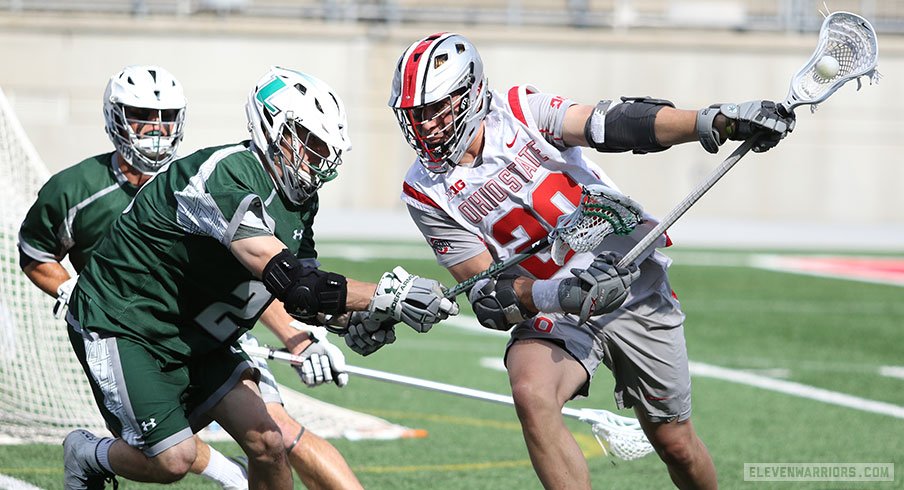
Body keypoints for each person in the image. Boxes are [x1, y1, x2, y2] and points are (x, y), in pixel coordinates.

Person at [373, 32, 795, 489]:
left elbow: (613, 123)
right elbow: (489, 295)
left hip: (629, 280)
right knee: (532, 393)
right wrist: (564, 294)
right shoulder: (423, 191)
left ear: (472, 94)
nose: (426, 127)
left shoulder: (517, 110)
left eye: (436, 110)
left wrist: (713, 121)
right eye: (415, 116)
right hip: (555, 306)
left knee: (675, 443)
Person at [57, 65, 459, 489]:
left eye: (324, 146)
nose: (317, 156)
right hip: (129, 324)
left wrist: (354, 321)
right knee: (173, 461)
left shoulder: (299, 198)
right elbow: (292, 280)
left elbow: (306, 292)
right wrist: (388, 295)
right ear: (273, 129)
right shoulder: (228, 174)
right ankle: (88, 453)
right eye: (308, 142)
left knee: (270, 440)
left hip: (197, 335)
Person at [18, 64, 250, 489]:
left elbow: (244, 260)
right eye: (143, 115)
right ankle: (228, 473)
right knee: (165, 445)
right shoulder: (75, 188)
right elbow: (35, 254)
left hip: (195, 328)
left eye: (166, 117)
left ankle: (237, 471)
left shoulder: (199, 179)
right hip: (125, 332)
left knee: (269, 425)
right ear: (115, 117)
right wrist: (68, 286)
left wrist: (292, 331)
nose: (156, 129)